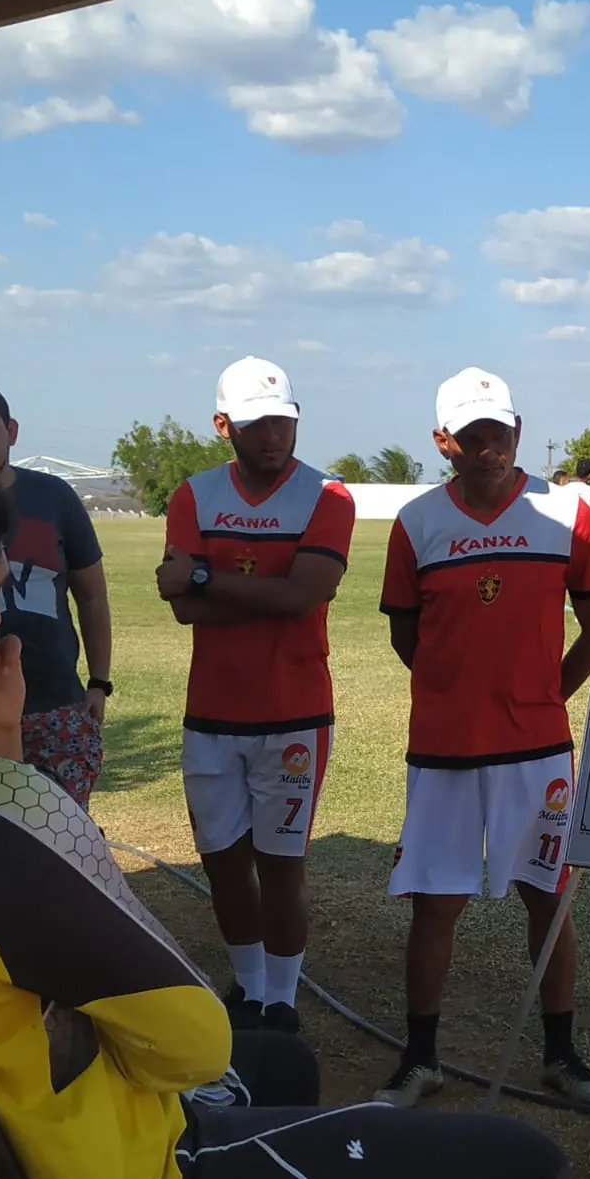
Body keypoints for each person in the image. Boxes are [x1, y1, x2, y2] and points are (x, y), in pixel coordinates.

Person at [0, 479, 567, 1179]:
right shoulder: (9, 833)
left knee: (283, 1065)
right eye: (2, 618)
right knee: (524, 1174)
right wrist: (18, 783)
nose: (17, 651)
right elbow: (189, 1040)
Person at [377, 367, 590, 1108]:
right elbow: (407, 635)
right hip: (444, 751)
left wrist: (547, 696)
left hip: (537, 753)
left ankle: (561, 1054)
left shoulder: (566, 512)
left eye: (500, 433)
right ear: (443, 441)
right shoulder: (417, 522)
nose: (490, 449)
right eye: (472, 436)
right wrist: (456, 692)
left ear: (518, 431)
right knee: (435, 903)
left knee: (549, 896)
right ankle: (420, 1059)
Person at [156, 357, 355, 1034]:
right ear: (224, 426)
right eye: (257, 423)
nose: (274, 435)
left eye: (283, 421)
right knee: (221, 862)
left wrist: (204, 578)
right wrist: (260, 594)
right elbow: (183, 610)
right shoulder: (194, 495)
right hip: (212, 714)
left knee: (281, 865)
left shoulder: (328, 496)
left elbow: (303, 596)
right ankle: (247, 988)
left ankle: (282, 1001)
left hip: (294, 713)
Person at [0, 385, 112, 808]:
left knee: (58, 827)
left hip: (55, 706)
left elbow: (92, 596)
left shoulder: (54, 497)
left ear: (11, 431)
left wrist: (99, 683)